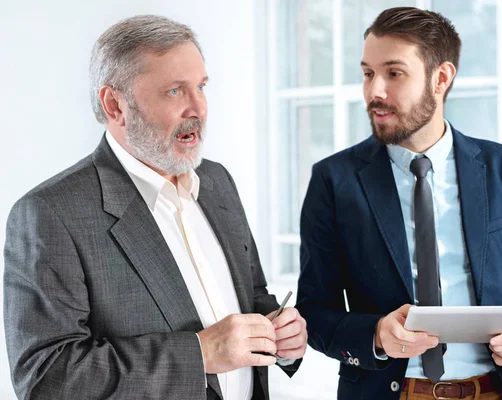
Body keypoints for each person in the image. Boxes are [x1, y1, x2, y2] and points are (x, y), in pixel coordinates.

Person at [3, 15, 307, 400]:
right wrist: (200, 353)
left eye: (201, 87)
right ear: (115, 105)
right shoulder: (50, 214)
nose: (198, 108)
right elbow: (47, 377)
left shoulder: (217, 182)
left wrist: (281, 336)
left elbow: (254, 296)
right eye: (175, 92)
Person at [296, 7, 502, 400]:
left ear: (441, 78)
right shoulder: (334, 180)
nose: (374, 92)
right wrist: (376, 335)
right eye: (368, 73)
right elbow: (314, 312)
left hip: (497, 390)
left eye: (394, 73)